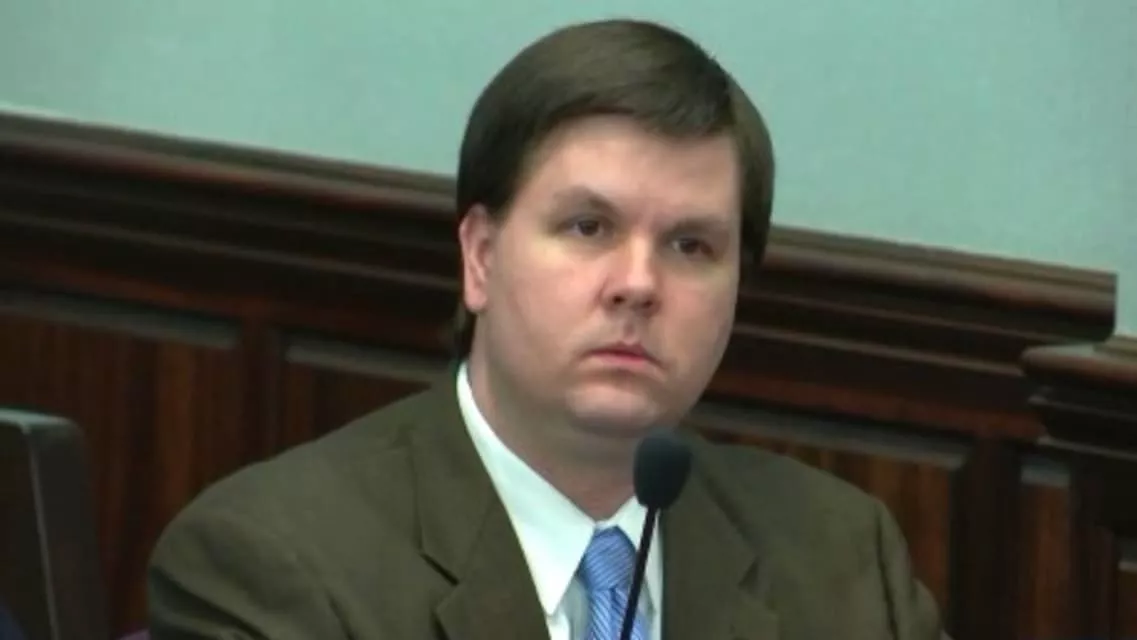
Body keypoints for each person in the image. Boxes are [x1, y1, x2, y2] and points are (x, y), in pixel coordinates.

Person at [147, 17, 949, 640]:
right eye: (587, 227)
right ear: (480, 257)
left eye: (690, 246)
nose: (638, 284)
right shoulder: (272, 560)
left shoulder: (841, 557)